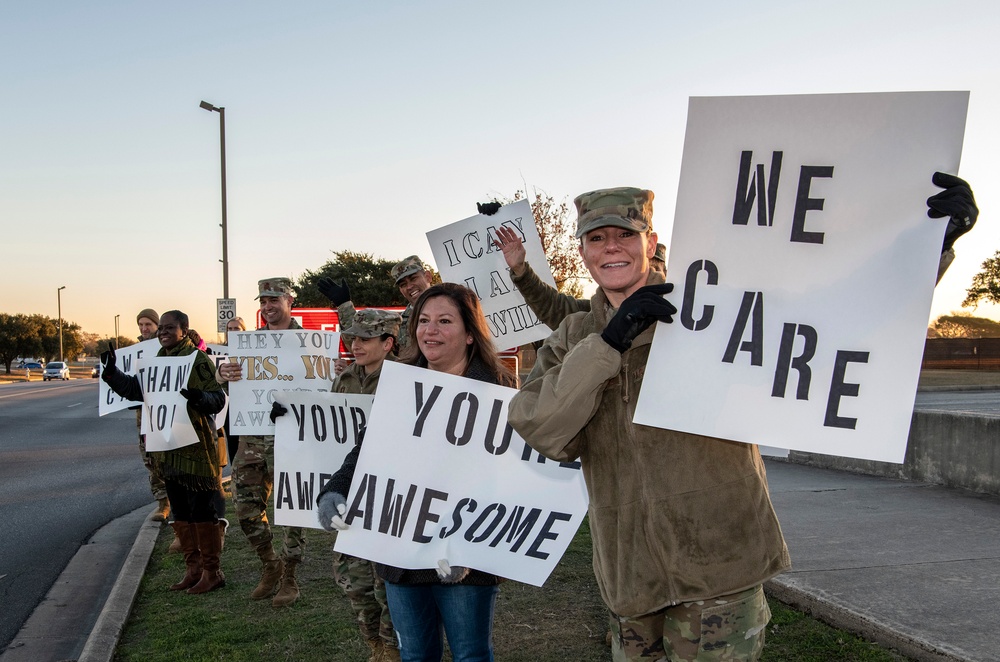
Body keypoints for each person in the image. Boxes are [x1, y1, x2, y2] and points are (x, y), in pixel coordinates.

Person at [508, 187, 787, 661]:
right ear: (582, 251)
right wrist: (607, 345)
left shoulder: (711, 312)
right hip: (631, 579)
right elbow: (539, 425)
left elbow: (822, 323)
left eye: (625, 234)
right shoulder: (574, 334)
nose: (611, 247)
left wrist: (932, 249)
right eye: (597, 238)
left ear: (650, 239)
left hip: (720, 568)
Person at [319, 283, 516, 662]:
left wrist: (470, 544)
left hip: (465, 560)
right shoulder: (399, 382)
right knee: (414, 655)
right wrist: (336, 489)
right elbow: (366, 448)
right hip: (401, 552)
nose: (430, 330)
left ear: (471, 332)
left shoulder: (500, 390)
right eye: (424, 321)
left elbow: (507, 478)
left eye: (445, 321)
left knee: (470, 654)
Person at [101, 310, 228, 594]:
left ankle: (212, 571)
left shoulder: (196, 360)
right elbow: (137, 390)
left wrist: (200, 398)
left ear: (184, 330)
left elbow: (218, 400)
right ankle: (193, 570)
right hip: (166, 449)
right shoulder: (157, 361)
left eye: (170, 328)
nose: (163, 333)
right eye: (162, 329)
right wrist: (112, 374)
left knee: (201, 510)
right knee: (180, 510)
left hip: (195, 450)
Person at [307, 309, 403, 662]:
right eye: (352, 338)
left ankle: (393, 649)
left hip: (389, 495)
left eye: (364, 339)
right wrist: (290, 420)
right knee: (353, 577)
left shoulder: (406, 380)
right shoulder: (345, 377)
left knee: (388, 581)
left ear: (388, 343)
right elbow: (330, 428)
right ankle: (375, 646)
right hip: (350, 492)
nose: (355, 345)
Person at [216, 277, 308, 607]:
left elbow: (326, 381)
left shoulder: (308, 342)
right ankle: (270, 563)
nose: (267, 307)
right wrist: (223, 374)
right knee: (244, 509)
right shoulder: (250, 343)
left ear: (289, 301)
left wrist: (337, 369)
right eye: (263, 301)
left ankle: (289, 579)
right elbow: (226, 375)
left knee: (293, 514)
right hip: (254, 438)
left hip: (294, 439)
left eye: (274, 300)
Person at [317, 255, 435, 352]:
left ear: (428, 276)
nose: (409, 287)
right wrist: (344, 304)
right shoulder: (397, 323)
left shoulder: (452, 309)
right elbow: (363, 348)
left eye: (413, 279)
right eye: (403, 284)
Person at [133, 308, 171, 523]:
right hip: (143, 412)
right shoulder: (135, 351)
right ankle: (163, 502)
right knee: (150, 457)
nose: (144, 328)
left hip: (167, 411)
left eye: (148, 324)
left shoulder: (167, 346)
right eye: (141, 324)